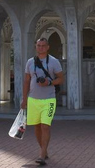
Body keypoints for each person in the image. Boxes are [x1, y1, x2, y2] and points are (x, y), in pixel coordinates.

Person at [22, 37, 64, 166]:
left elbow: (61, 79)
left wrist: (49, 82)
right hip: (33, 99)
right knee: (37, 127)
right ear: (36, 46)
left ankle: (41, 155)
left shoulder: (54, 61)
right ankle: (44, 151)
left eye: (43, 45)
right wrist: (24, 99)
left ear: (48, 47)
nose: (41, 47)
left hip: (49, 99)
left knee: (45, 126)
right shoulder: (30, 62)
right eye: (38, 45)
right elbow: (27, 81)